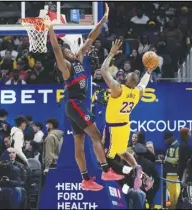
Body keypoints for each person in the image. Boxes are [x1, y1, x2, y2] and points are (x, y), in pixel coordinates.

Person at [45, 3, 123, 191]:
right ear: (63, 57)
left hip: (74, 106)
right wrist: (50, 30)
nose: (69, 50)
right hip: (75, 104)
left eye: (69, 49)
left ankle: (86, 180)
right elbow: (56, 50)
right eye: (66, 50)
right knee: (96, 135)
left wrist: (102, 21)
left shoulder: (79, 57)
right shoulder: (66, 68)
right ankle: (105, 170)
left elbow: (90, 38)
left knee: (79, 142)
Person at [100, 39, 156, 189]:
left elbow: (103, 70)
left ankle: (130, 171)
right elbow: (143, 83)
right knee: (122, 152)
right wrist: (148, 71)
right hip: (125, 126)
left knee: (106, 158)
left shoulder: (118, 89)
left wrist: (111, 53)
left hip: (113, 128)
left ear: (127, 78)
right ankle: (138, 169)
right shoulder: (136, 93)